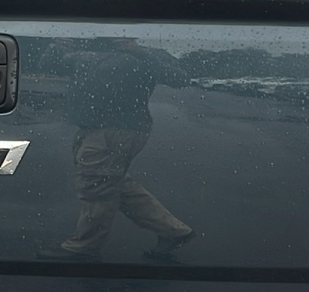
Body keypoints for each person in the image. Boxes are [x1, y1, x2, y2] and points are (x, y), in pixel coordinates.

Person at [38, 38, 196, 262]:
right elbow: (49, 66)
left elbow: (180, 78)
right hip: (90, 128)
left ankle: (83, 246)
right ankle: (174, 231)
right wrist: (59, 43)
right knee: (110, 182)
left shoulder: (146, 54)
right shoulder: (85, 52)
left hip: (119, 130)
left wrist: (139, 52)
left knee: (97, 184)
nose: (113, 35)